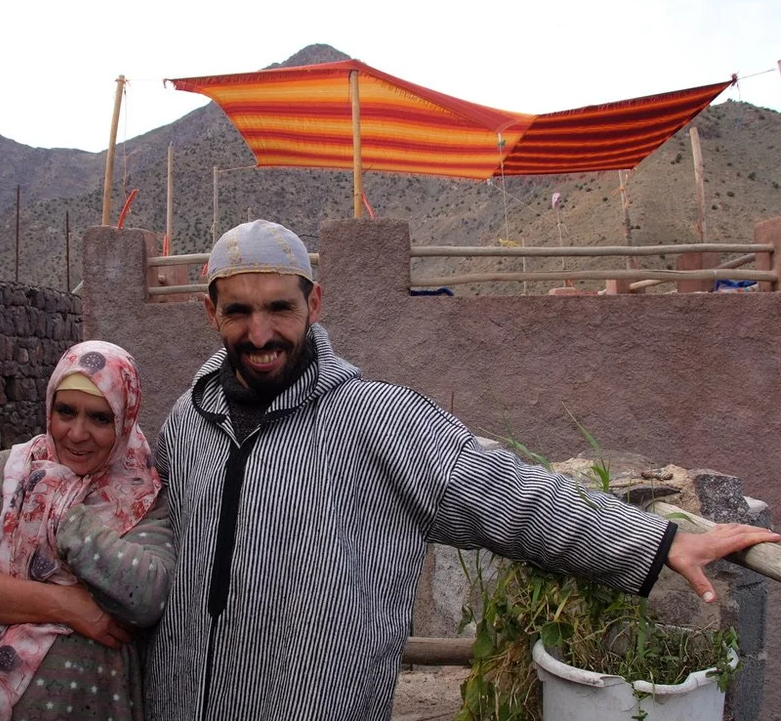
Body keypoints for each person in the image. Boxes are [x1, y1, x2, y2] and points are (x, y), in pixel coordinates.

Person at [143, 219, 781, 721]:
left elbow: (508, 494)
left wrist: (660, 542)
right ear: (210, 313)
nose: (260, 334)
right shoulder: (187, 419)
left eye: (279, 308)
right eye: (238, 312)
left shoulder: (370, 418)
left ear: (315, 303)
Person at [0, 341, 174, 721]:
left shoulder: (141, 495)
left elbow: (147, 596)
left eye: (100, 418)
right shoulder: (6, 474)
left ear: (124, 420)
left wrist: (69, 522)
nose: (77, 433)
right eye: (66, 411)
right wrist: (71, 606)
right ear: (49, 408)